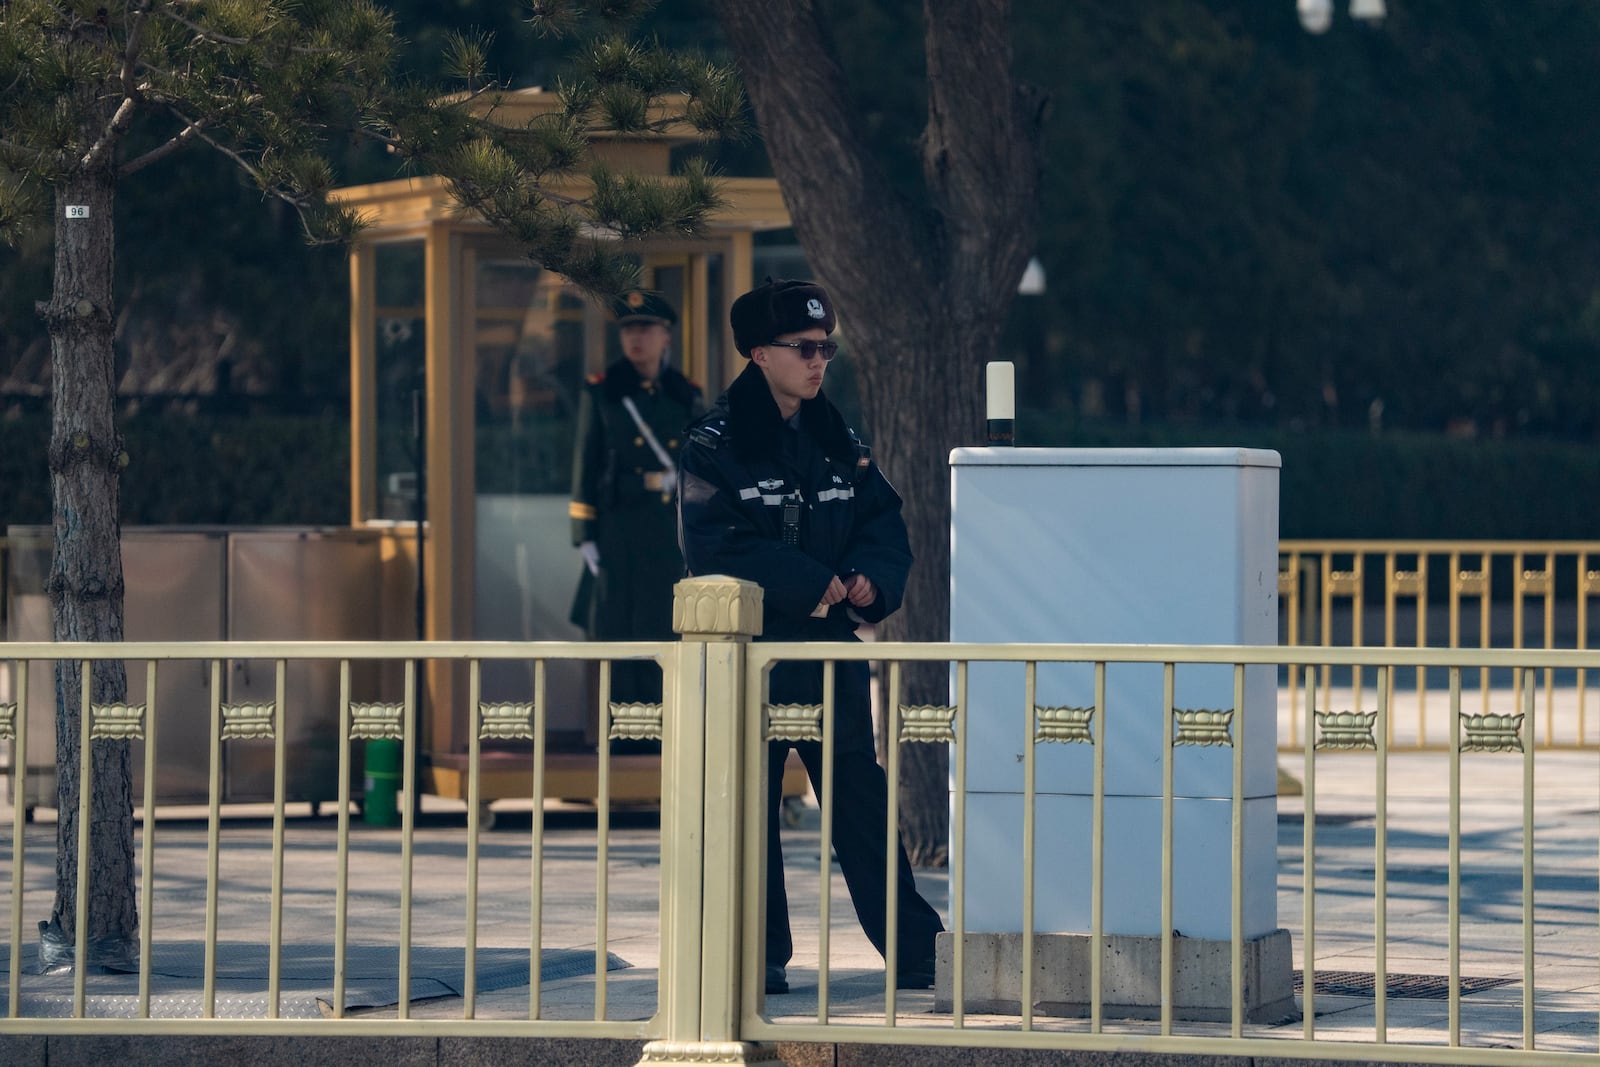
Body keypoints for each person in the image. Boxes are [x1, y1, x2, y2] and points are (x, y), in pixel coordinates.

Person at [677, 277, 944, 995]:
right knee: (751, 801)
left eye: (826, 346)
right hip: (751, 652)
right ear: (760, 354)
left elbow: (884, 526)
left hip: (829, 650)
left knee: (859, 793)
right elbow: (712, 544)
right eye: (804, 348)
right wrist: (807, 579)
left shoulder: (840, 440)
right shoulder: (714, 442)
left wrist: (865, 580)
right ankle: (757, 952)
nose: (819, 360)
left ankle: (916, 949)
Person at [569, 290, 704, 741]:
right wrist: (584, 533)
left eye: (645, 328)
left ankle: (660, 737)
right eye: (628, 329)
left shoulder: (684, 394)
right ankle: (621, 737)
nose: (636, 338)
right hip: (619, 527)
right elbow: (584, 463)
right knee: (617, 630)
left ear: (666, 336)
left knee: (661, 629)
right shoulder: (604, 390)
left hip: (667, 531)